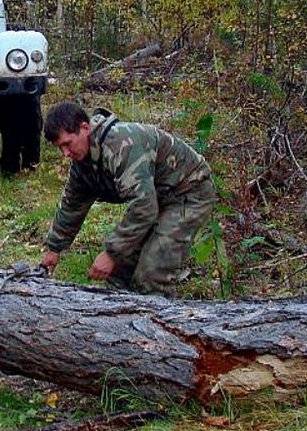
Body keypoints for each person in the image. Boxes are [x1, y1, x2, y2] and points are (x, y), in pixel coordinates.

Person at [39, 102, 217, 296]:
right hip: (157, 198)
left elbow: (144, 207)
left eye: (67, 144)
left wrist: (111, 253)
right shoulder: (82, 162)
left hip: (190, 192)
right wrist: (54, 249)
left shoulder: (121, 144)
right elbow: (71, 205)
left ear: (84, 127)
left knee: (152, 274)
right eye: (60, 148)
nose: (65, 154)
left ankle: (158, 322)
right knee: (119, 271)